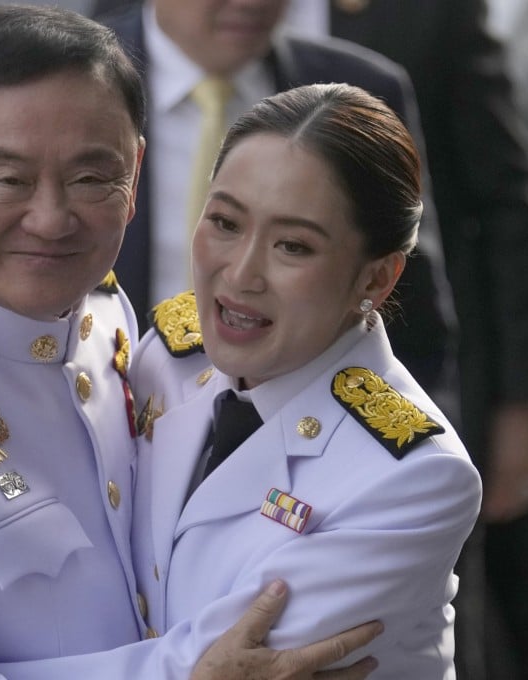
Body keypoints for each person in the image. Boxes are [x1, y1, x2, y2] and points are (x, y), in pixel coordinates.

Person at [0, 5, 383, 680]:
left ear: (135, 172)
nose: (53, 219)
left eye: (92, 178)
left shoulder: (98, 309)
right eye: (8, 180)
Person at [0, 82, 481, 680]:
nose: (241, 273)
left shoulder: (412, 478)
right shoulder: (168, 362)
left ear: (376, 279)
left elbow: (223, 666)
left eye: (293, 246)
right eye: (224, 222)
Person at [260, 3, 528, 678]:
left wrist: (522, 404)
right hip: (206, 408)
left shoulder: (424, 19)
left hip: (384, 398)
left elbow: (506, 208)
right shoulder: (133, 32)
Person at [91, 0, 459, 423]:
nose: (253, 3)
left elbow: (419, 319)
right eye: (226, 223)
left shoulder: (362, 91)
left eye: (293, 245)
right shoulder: (71, 78)